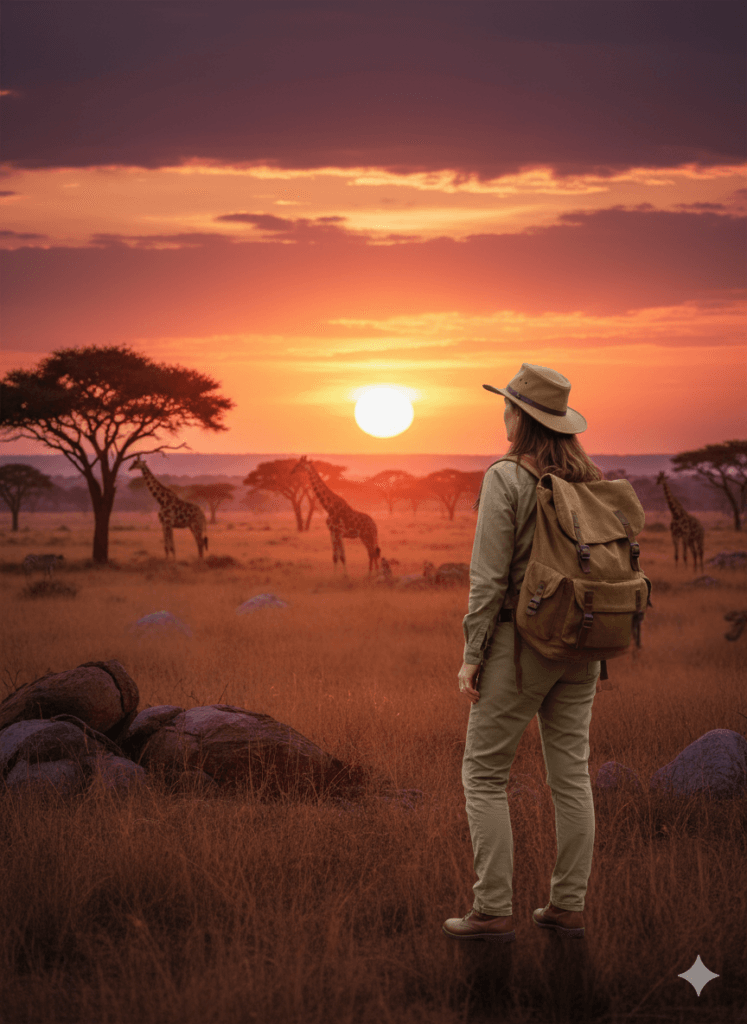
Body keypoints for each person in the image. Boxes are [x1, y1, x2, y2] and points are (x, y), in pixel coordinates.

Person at [443, 363, 603, 943]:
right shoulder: (589, 477)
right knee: (572, 777)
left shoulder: (506, 477)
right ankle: (567, 905)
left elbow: (487, 580)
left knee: (483, 775)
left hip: (523, 644)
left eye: (508, 404)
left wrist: (472, 654)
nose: (503, 412)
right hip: (583, 644)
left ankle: (491, 909)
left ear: (519, 416)